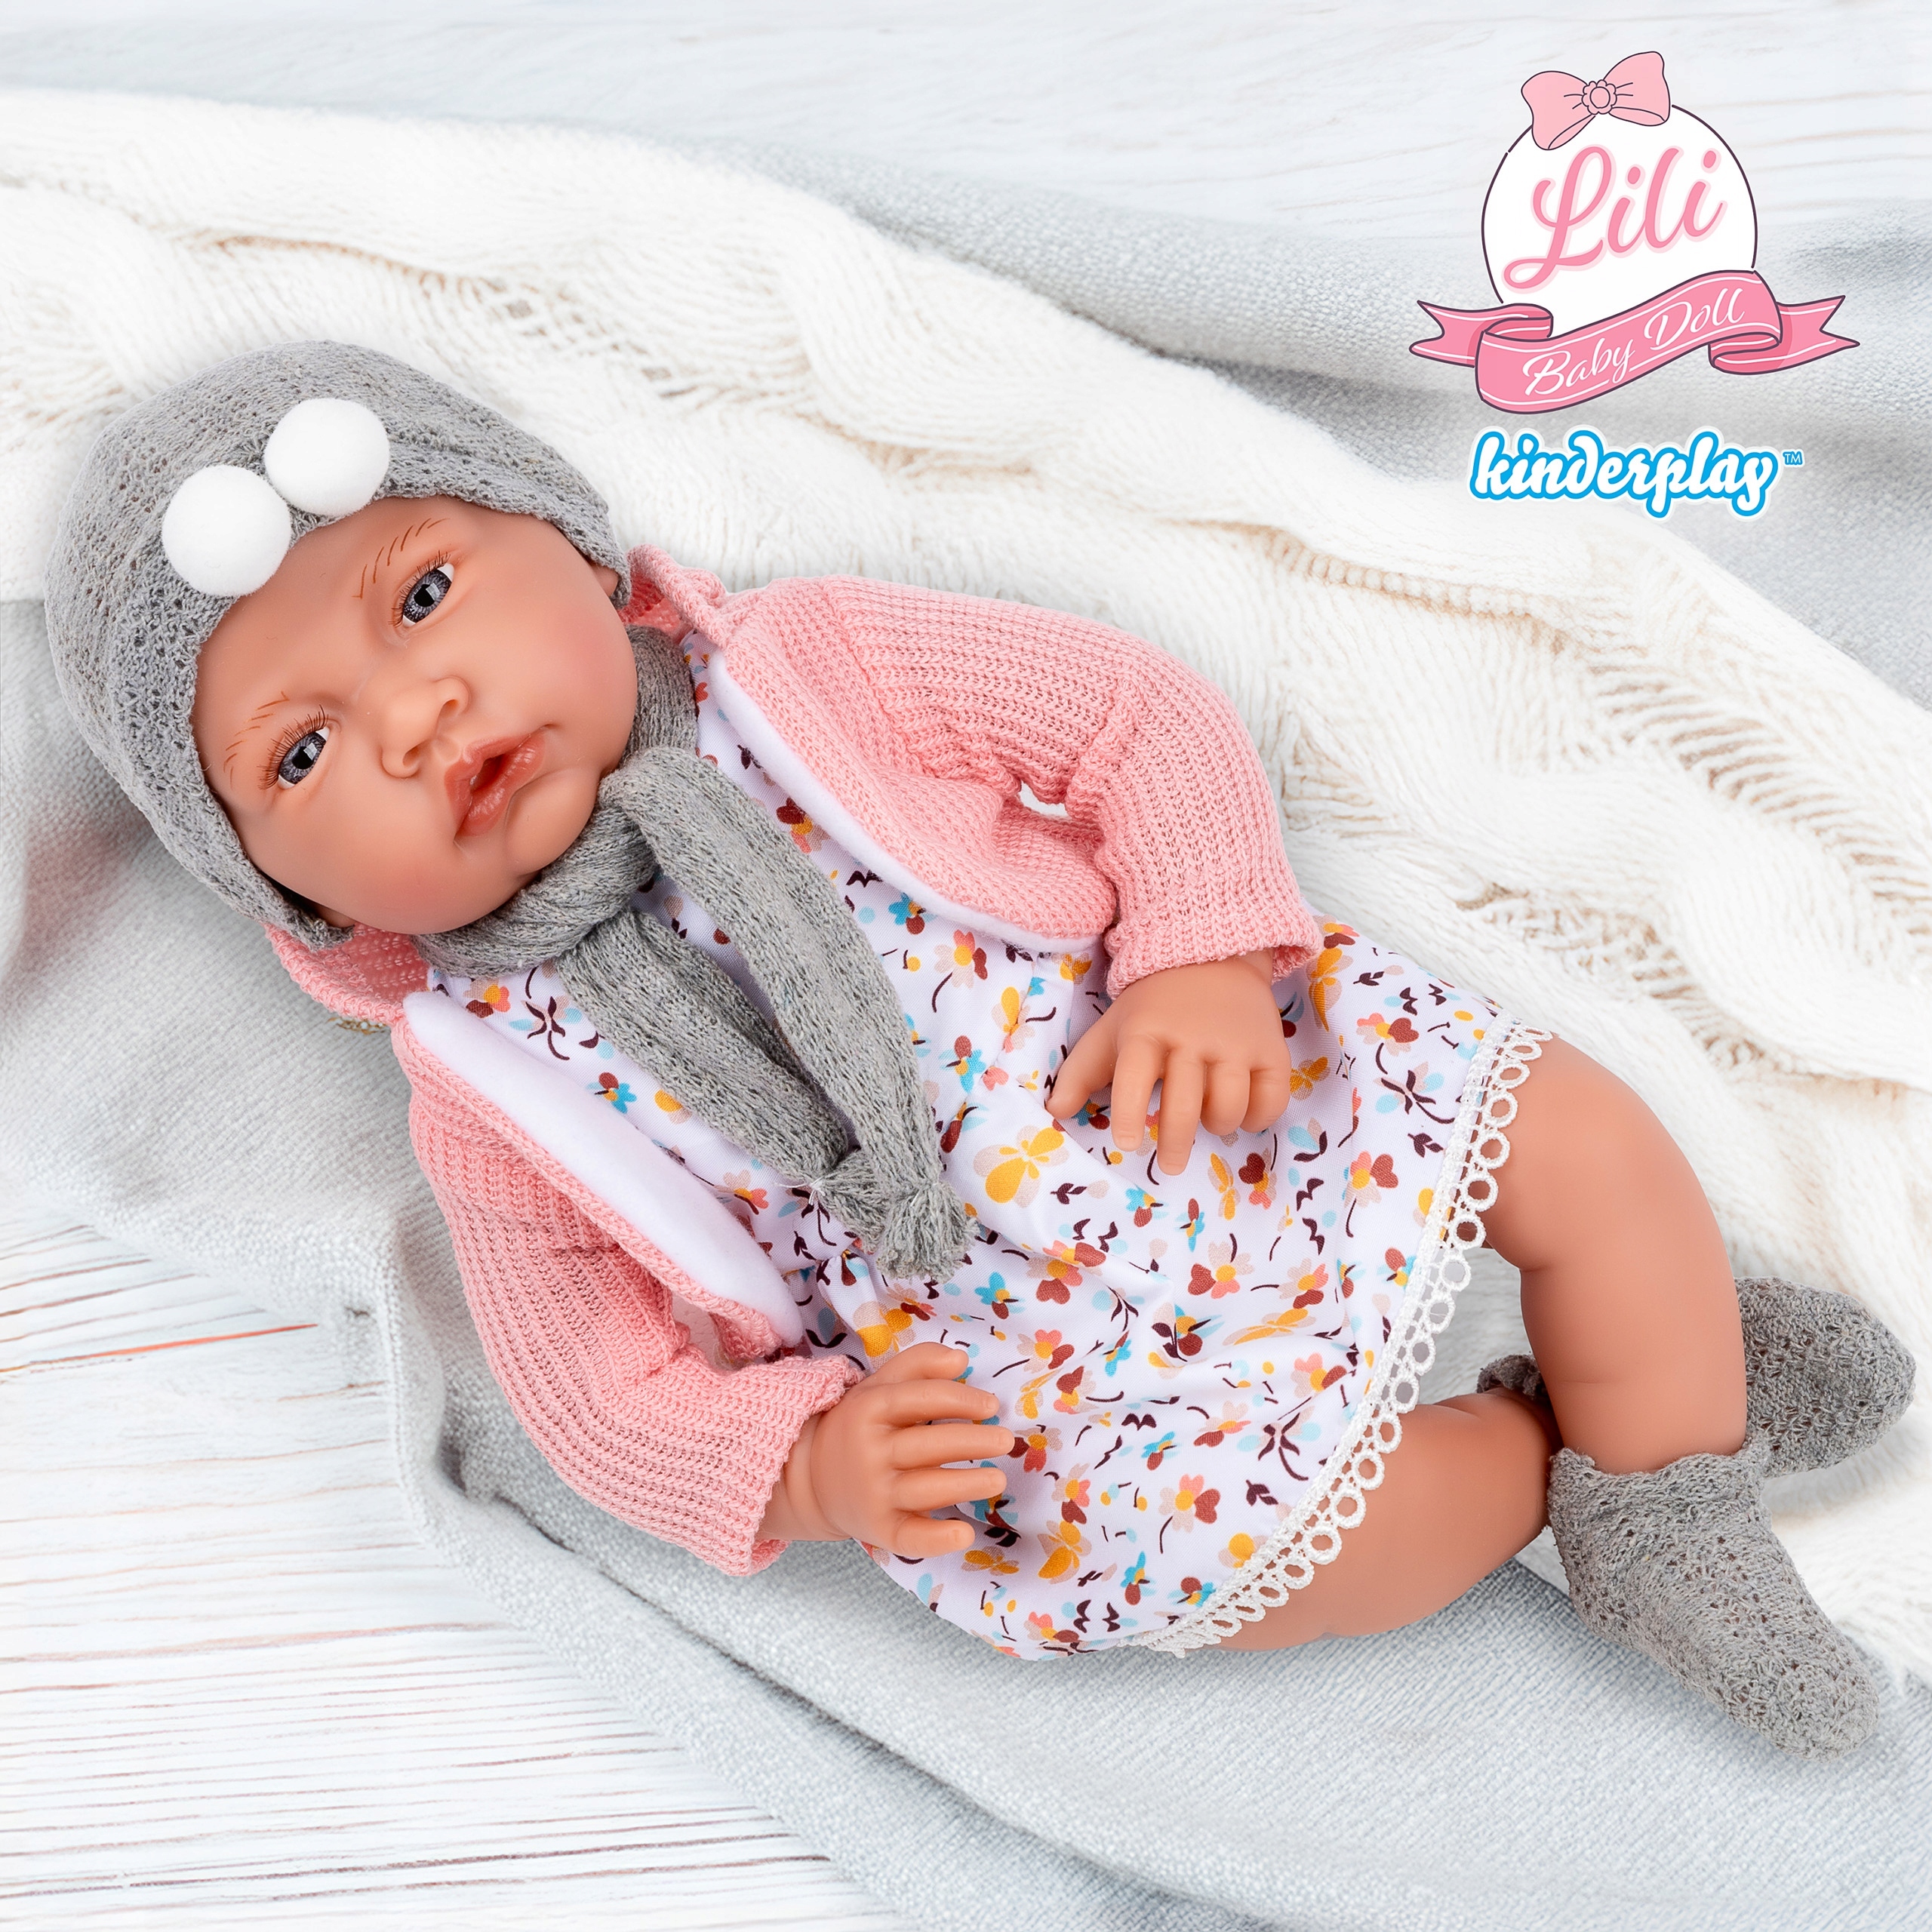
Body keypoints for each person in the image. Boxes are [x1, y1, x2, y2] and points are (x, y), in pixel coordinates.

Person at [45, 342, 1913, 1756]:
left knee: (1583, 1148)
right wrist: (804, 1461)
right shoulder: (487, 1085)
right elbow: (587, 1388)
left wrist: (1195, 945)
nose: (415, 710)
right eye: (302, 751)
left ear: (579, 552)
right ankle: (1579, 1444)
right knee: (1304, 1560)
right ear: (287, 893)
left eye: (423, 594)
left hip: (1190, 1080)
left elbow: (1127, 719)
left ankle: (1668, 1478)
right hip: (1032, 1378)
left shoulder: (810, 670)